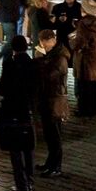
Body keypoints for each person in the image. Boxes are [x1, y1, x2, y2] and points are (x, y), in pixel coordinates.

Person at [0, 34, 39, 191]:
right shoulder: (33, 64)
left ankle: (21, 184)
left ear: (13, 48)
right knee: (28, 148)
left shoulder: (9, 64)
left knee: (15, 150)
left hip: (12, 110)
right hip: (27, 110)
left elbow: (2, 88)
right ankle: (30, 182)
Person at [31, 29, 68, 180]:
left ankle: (56, 167)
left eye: (43, 43)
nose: (42, 46)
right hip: (48, 99)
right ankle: (50, 163)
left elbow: (49, 75)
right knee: (49, 134)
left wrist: (39, 59)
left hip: (55, 100)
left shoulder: (60, 58)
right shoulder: (52, 55)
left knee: (55, 135)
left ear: (51, 40)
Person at [73, 0, 96, 118]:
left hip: (85, 58)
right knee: (93, 85)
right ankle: (93, 109)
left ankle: (83, 110)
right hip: (95, 57)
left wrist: (74, 46)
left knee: (83, 85)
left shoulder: (83, 24)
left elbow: (80, 42)